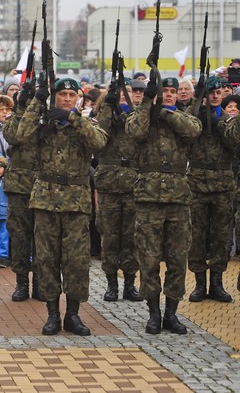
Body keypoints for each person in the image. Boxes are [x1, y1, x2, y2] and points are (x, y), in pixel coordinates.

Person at [15, 77, 107, 336]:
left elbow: (100, 143)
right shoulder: (43, 124)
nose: (66, 99)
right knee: (47, 260)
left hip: (76, 203)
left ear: (78, 98)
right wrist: (36, 101)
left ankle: (73, 315)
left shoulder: (84, 124)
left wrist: (74, 118)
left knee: (76, 262)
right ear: (53, 97)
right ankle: (53, 314)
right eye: (61, 94)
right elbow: (20, 135)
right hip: (45, 200)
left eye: (71, 94)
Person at [126, 76, 201, 335]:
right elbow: (134, 131)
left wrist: (167, 114)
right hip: (148, 199)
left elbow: (193, 131)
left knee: (178, 258)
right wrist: (148, 102)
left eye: (172, 91)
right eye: (164, 91)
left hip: (178, 200)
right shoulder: (144, 118)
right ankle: (153, 312)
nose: (169, 95)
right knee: (148, 259)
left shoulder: (184, 117)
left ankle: (171, 312)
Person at [186, 77, 236, 303]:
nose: (215, 96)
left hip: (222, 185)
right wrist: (197, 101)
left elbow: (234, 141)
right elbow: (184, 125)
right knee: (196, 235)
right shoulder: (194, 117)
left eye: (218, 92)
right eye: (211, 92)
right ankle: (199, 283)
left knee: (220, 236)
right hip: (197, 183)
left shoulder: (228, 120)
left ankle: (217, 283)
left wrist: (219, 122)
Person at [94, 78, 143, 302]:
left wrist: (127, 110)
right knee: (110, 238)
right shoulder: (105, 116)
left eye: (129, 91)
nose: (125, 95)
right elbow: (99, 136)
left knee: (132, 238)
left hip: (133, 184)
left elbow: (140, 132)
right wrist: (107, 104)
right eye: (122, 92)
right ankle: (112, 284)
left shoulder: (138, 116)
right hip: (109, 185)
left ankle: (130, 283)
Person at [2, 82, 41, 301]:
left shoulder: (45, 117)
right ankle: (21, 282)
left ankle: (40, 281)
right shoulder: (14, 118)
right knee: (19, 236)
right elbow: (13, 136)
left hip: (43, 184)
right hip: (19, 185)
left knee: (42, 238)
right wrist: (19, 108)